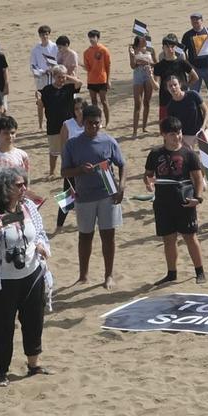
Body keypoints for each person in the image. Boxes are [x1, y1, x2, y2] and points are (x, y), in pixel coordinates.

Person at [0, 168, 52, 386]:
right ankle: (2, 372)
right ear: (4, 187)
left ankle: (34, 364)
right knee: (3, 326)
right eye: (18, 184)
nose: (24, 188)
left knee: (34, 321)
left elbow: (41, 232)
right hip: (1, 281)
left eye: (24, 183)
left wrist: (42, 245)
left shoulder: (29, 207)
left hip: (31, 274)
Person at [62, 104, 126, 285]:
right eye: (90, 123)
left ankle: (109, 275)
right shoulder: (72, 145)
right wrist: (80, 170)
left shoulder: (109, 141)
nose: (94, 127)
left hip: (108, 195)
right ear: (83, 123)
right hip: (84, 196)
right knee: (85, 236)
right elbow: (64, 172)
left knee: (108, 235)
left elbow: (122, 164)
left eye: (97, 123)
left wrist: (121, 186)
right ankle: (83, 276)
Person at [145, 116, 207, 283]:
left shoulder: (188, 154)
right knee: (169, 239)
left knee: (190, 237)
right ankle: (171, 273)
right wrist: (149, 183)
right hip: (163, 203)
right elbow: (149, 175)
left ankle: (200, 272)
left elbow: (198, 178)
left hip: (185, 202)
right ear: (163, 134)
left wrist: (198, 198)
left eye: (178, 133)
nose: (177, 137)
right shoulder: (155, 154)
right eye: (172, 134)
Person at [39, 65, 80, 176]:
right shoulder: (47, 90)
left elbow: (79, 83)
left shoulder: (69, 87)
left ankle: (68, 170)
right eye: (59, 77)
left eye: (63, 77)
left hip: (68, 125)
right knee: (54, 151)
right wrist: (40, 122)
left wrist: (67, 76)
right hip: (53, 124)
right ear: (54, 76)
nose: (62, 80)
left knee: (69, 150)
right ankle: (52, 172)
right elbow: (41, 106)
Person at [161, 72, 206, 145]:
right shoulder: (170, 106)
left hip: (201, 132)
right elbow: (174, 125)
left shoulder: (193, 95)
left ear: (180, 85)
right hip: (186, 136)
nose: (173, 87)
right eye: (170, 86)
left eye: (175, 85)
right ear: (167, 88)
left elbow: (206, 111)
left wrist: (203, 127)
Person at [153, 35, 195, 109]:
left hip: (182, 99)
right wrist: (150, 76)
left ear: (176, 47)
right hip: (165, 100)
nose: (170, 49)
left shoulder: (182, 62)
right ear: (163, 48)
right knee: (166, 120)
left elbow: (195, 77)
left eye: (172, 46)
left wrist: (185, 86)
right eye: (167, 47)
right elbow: (156, 87)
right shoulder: (159, 66)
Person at [128, 31, 157, 137]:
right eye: (142, 37)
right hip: (138, 76)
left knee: (147, 102)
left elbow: (156, 64)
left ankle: (144, 127)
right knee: (137, 103)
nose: (144, 39)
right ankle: (135, 131)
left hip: (149, 75)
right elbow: (132, 66)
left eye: (145, 37)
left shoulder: (151, 49)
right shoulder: (133, 49)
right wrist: (132, 56)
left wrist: (147, 63)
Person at [82, 29, 113, 128]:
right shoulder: (86, 52)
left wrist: (108, 80)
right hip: (91, 80)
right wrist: (82, 65)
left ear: (97, 38)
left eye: (93, 37)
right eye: (90, 37)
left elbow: (108, 65)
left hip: (102, 79)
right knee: (94, 102)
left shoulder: (103, 50)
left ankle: (107, 122)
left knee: (104, 101)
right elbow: (88, 68)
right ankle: (97, 121)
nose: (91, 39)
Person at [28, 25, 58, 123]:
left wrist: (53, 70)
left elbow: (59, 61)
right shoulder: (36, 50)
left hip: (54, 78)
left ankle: (53, 120)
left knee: (54, 101)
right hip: (41, 80)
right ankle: (40, 124)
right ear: (39, 35)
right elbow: (33, 65)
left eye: (46, 34)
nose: (44, 36)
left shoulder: (55, 47)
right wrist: (42, 72)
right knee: (40, 102)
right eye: (42, 35)